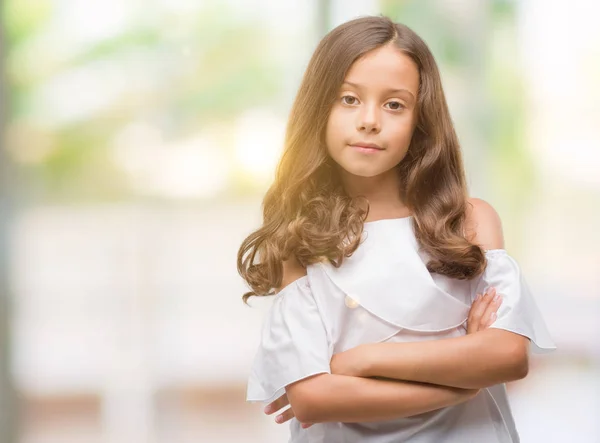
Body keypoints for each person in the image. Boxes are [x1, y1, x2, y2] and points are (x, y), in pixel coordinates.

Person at [237, 15, 556, 442]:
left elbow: (508, 355)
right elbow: (314, 397)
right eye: (348, 99)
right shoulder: (301, 240)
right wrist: (463, 383)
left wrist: (361, 360)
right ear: (318, 108)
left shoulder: (469, 222)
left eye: (394, 105)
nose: (370, 120)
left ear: (420, 120)